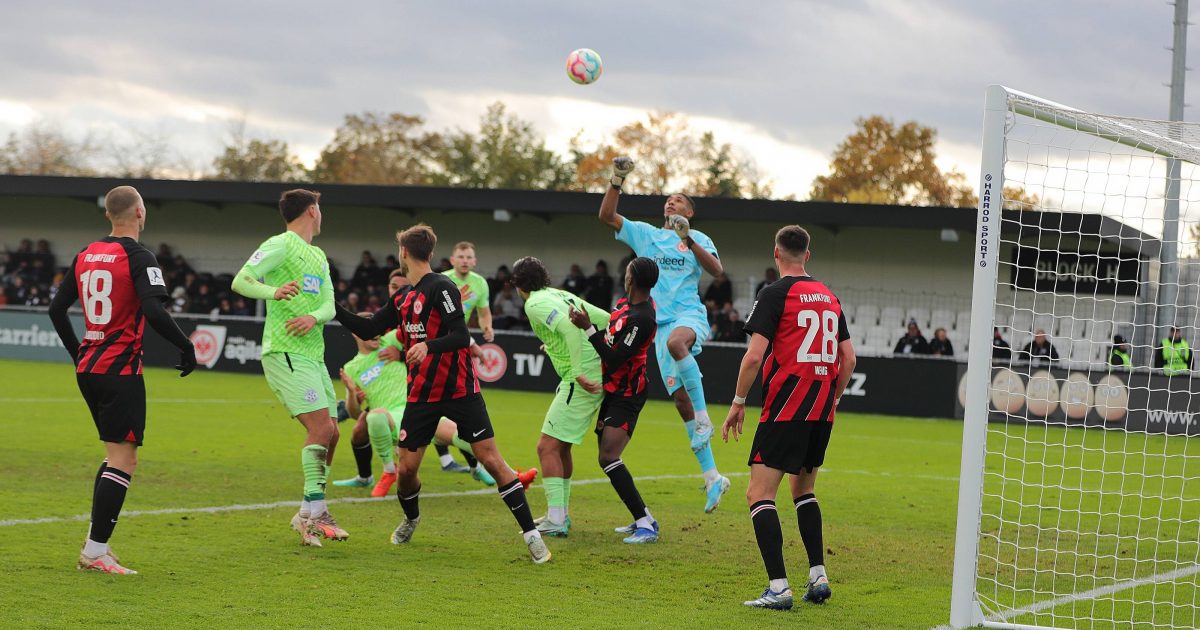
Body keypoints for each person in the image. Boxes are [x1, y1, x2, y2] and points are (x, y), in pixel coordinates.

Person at [333, 224, 551, 564]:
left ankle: (532, 536)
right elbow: (369, 326)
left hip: (461, 391)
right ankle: (412, 518)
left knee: (491, 459)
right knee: (407, 470)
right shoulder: (404, 297)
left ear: (404, 253)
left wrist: (426, 346)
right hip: (420, 396)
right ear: (429, 253)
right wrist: (333, 309)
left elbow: (460, 334)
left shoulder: (442, 287)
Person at [47, 185, 198, 575]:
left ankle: (96, 544)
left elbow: (56, 308)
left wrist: (76, 350)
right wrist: (186, 345)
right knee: (124, 457)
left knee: (113, 454)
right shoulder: (138, 255)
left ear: (108, 216)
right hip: (120, 369)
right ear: (141, 213)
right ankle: (95, 552)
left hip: (89, 368)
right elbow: (154, 310)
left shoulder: (85, 254)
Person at [722, 225, 855, 610]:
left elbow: (753, 356)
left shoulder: (775, 293)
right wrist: (833, 397)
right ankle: (818, 576)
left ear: (776, 254)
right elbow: (849, 359)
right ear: (807, 255)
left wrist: (737, 401)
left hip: (786, 407)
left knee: (758, 493)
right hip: (820, 410)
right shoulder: (829, 297)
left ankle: (778, 588)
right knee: (804, 490)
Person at [598, 156, 731, 513]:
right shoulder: (649, 236)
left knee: (677, 345)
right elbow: (607, 217)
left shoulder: (698, 238)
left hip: (688, 317)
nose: (672, 202)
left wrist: (689, 240)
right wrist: (617, 180)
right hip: (658, 327)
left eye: (680, 199)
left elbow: (717, 271)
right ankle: (713, 478)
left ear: (690, 211)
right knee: (680, 401)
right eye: (669, 199)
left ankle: (705, 418)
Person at [231, 189, 345, 547]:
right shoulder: (281, 244)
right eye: (321, 209)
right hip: (284, 351)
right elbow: (242, 280)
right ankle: (315, 515)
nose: (322, 215)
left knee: (333, 433)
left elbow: (329, 304)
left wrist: (314, 316)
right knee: (320, 429)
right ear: (312, 211)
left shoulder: (318, 255)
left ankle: (304, 511)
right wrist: (273, 292)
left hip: (313, 355)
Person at [511, 256, 610, 537]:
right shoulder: (558, 294)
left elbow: (568, 327)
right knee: (561, 447)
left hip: (579, 380)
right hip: (592, 371)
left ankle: (556, 518)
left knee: (546, 447)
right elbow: (603, 317)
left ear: (518, 284)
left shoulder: (534, 303)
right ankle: (560, 515)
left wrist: (578, 370)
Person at [568, 257, 661, 544]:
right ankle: (643, 517)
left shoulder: (643, 318)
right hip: (612, 390)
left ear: (631, 278)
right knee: (606, 457)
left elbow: (614, 356)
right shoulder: (623, 305)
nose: (624, 275)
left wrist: (587, 327)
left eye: (628, 271)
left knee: (608, 456)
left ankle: (646, 524)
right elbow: (609, 341)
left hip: (628, 393)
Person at [441, 242, 499, 484]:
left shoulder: (480, 283)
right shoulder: (441, 280)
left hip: (459, 343)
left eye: (469, 257)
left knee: (452, 401)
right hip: (439, 342)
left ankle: (462, 461)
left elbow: (484, 311)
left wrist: (488, 326)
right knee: (447, 401)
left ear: (474, 261)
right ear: (452, 259)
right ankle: (468, 461)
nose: (465, 260)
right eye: (461, 256)